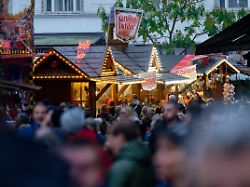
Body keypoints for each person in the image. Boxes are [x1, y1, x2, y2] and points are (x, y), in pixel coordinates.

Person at [107, 121, 155, 187]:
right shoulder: (150, 159)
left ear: (120, 138)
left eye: (111, 139)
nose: (108, 144)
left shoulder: (120, 168)